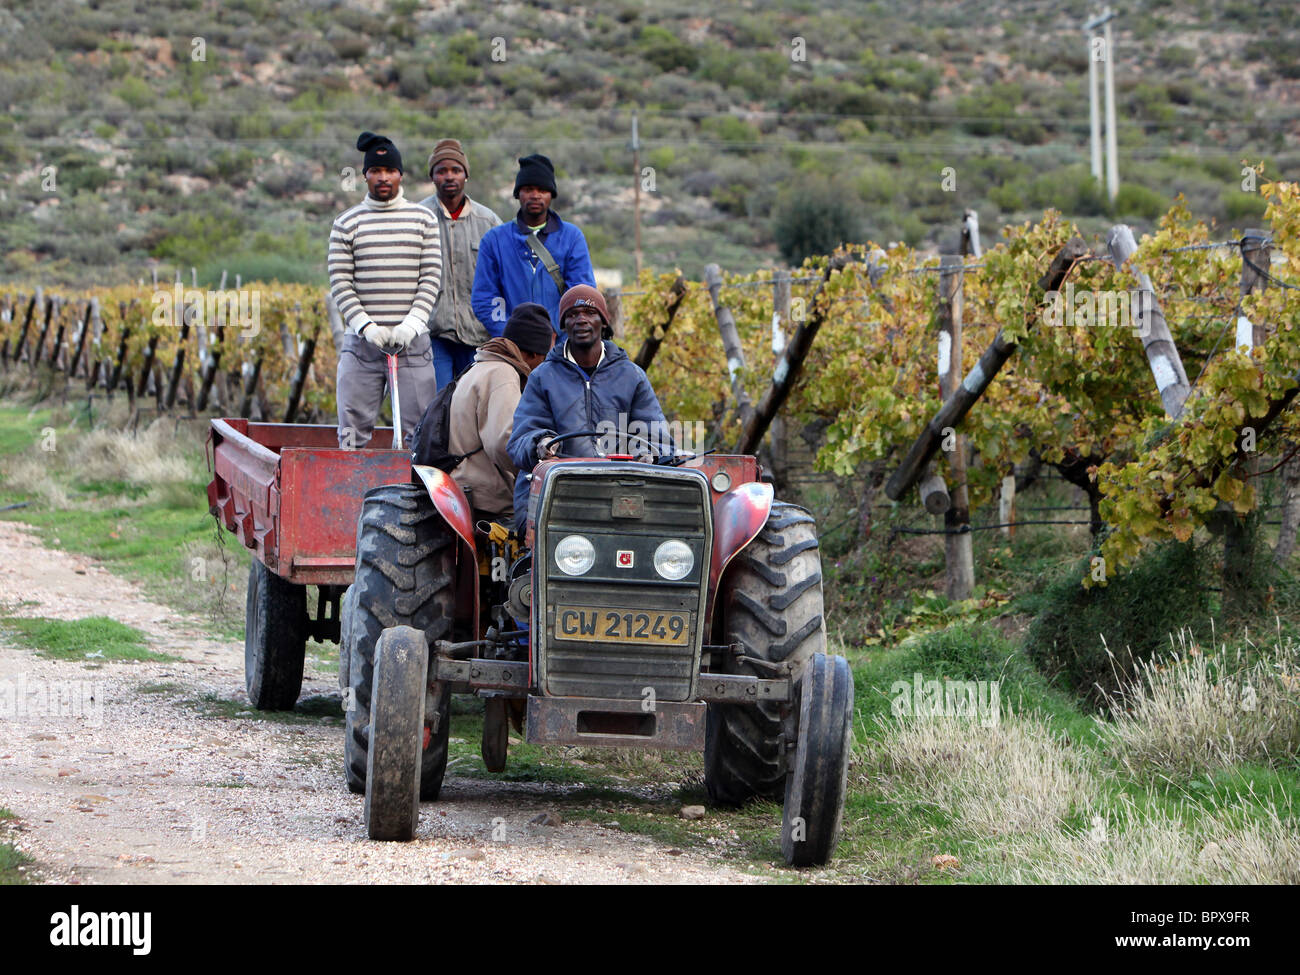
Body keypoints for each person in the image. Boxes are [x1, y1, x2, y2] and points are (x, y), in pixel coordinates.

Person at [507, 285, 672, 530]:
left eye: (589, 312)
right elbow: (521, 438)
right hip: (558, 493)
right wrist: (541, 444)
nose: (581, 319)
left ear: (603, 322)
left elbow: (658, 438)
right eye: (572, 315)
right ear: (563, 325)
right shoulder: (543, 377)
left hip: (620, 492)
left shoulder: (632, 376)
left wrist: (649, 454)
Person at [330, 131, 442, 448]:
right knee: (351, 432)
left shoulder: (423, 219)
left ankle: (413, 496)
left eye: (389, 171)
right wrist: (365, 326)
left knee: (419, 434)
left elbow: (431, 276)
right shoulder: (346, 223)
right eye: (375, 171)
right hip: (362, 346)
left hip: (413, 344)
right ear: (365, 175)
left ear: (400, 175)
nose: (383, 178)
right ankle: (349, 493)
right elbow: (340, 281)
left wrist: (412, 324)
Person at [470, 153, 597, 339]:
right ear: (518, 194)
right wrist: (510, 334)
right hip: (512, 346)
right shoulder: (494, 240)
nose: (535, 195)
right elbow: (485, 297)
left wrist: (554, 330)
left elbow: (581, 292)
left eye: (542, 190)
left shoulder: (572, 237)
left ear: (551, 194)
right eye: (528, 189)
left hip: (562, 344)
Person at [447, 303, 555, 522]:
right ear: (533, 354)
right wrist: (542, 472)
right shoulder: (503, 375)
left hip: (463, 485)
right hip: (488, 497)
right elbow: (504, 443)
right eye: (543, 359)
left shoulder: (479, 367)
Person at [416, 139, 503, 390]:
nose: (449, 176)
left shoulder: (488, 222)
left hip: (479, 334)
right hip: (433, 333)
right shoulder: (418, 219)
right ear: (432, 176)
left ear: (466, 175)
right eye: (441, 171)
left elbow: (502, 280)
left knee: (475, 405)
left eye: (456, 170)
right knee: (437, 405)